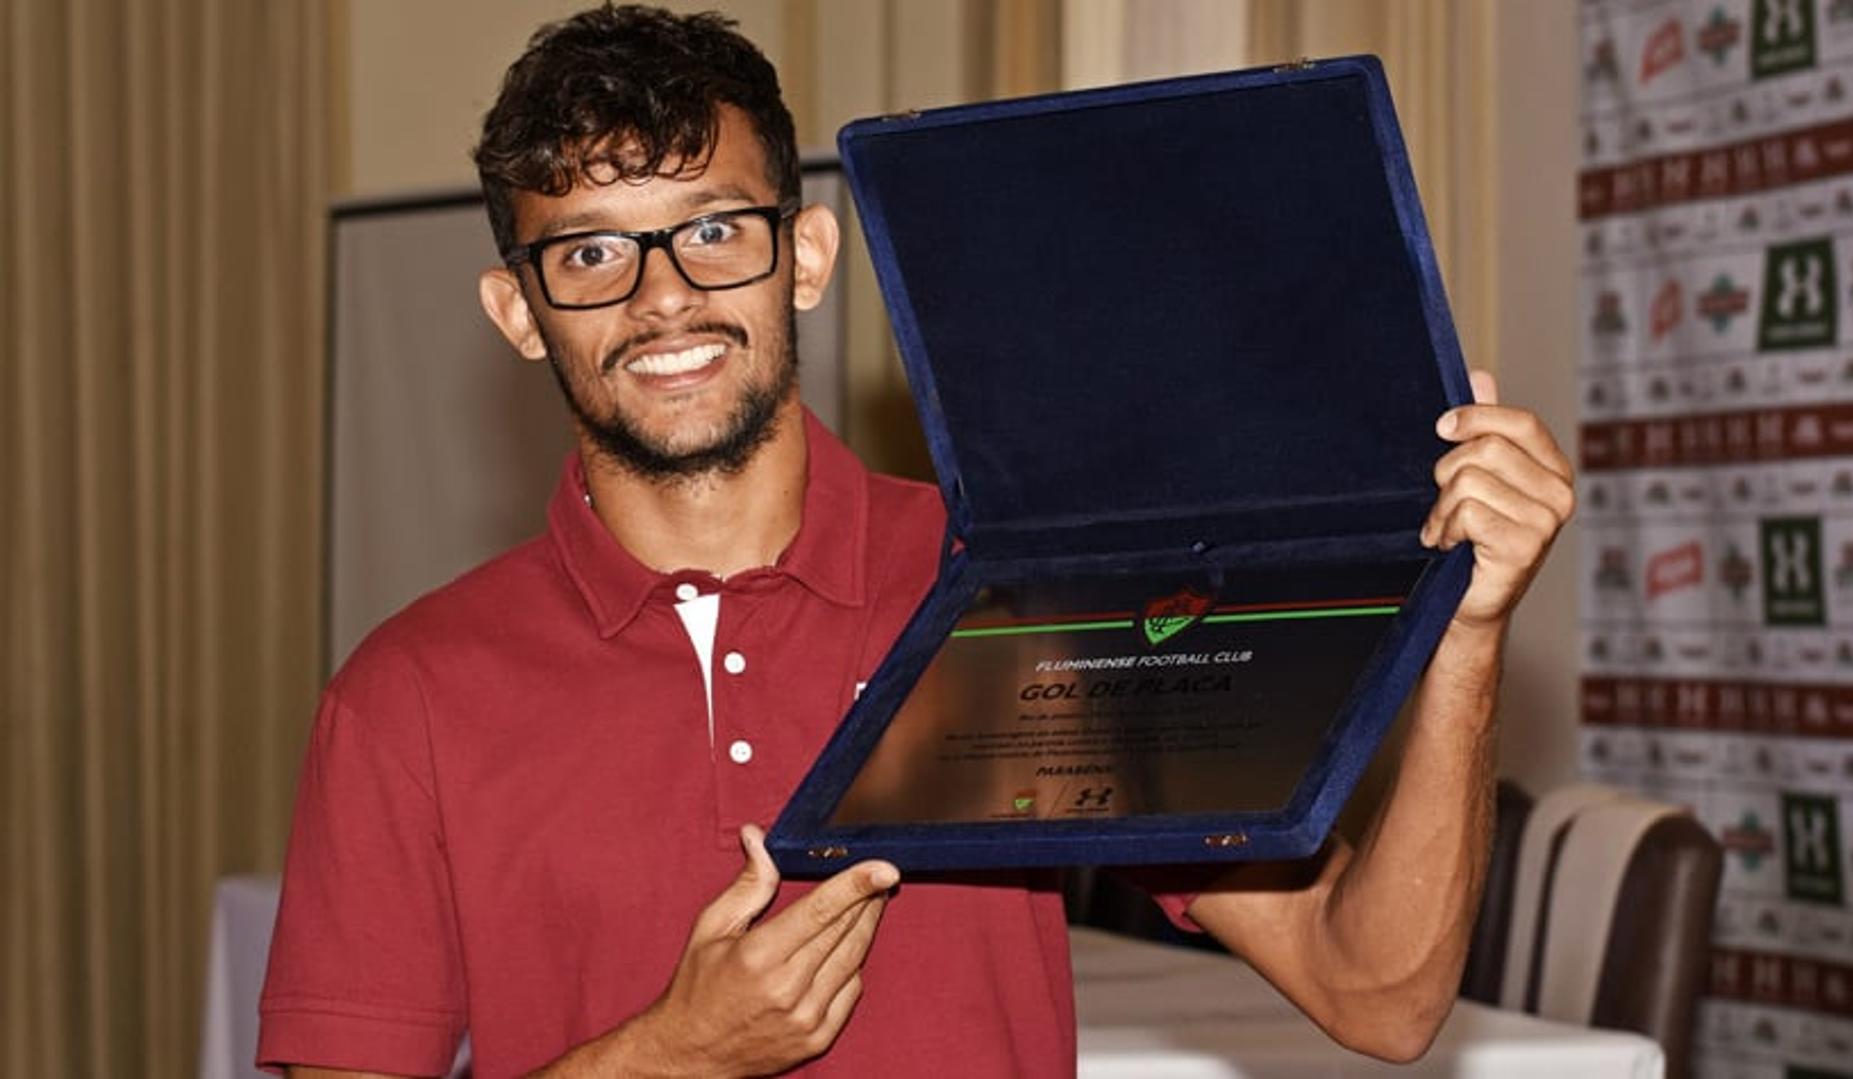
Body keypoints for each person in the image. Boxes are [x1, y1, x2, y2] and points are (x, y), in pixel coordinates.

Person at [258, 6, 1575, 1077]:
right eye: (591, 255)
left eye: (714, 230)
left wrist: (1467, 629)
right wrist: (673, 1059)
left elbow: (1380, 996)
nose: (662, 297)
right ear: (519, 311)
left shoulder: (1026, 591)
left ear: (809, 254)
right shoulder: (407, 696)